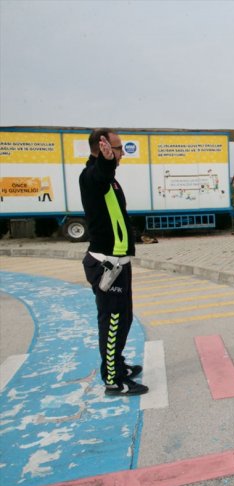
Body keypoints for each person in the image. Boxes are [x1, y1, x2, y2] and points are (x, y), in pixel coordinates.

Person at [80, 129, 148, 396]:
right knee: (112, 322)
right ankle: (112, 379)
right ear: (103, 147)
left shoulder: (111, 181)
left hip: (120, 262)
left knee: (124, 318)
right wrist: (106, 161)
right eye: (118, 148)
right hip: (106, 264)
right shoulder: (91, 177)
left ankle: (117, 364)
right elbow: (100, 173)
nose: (121, 154)